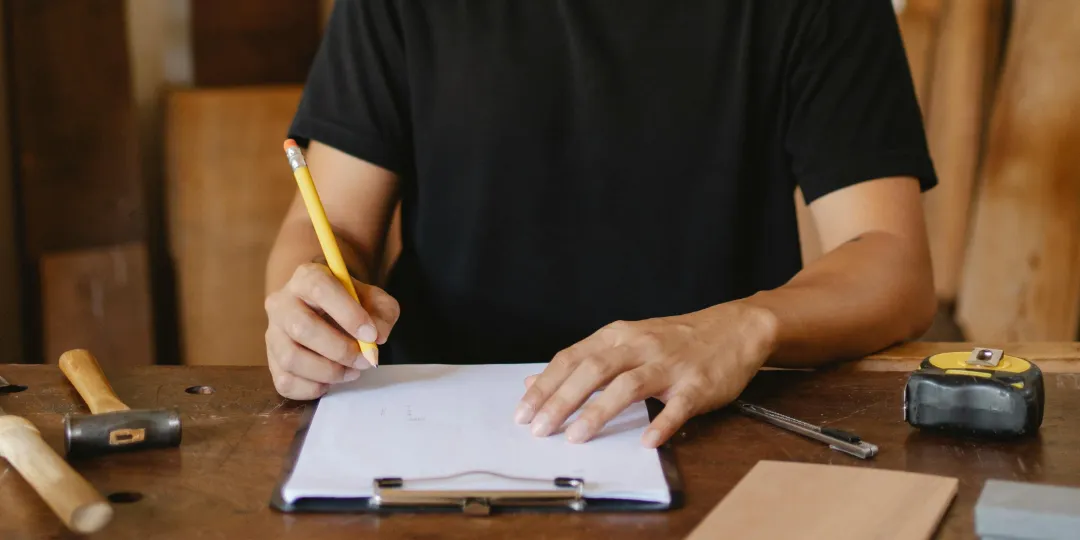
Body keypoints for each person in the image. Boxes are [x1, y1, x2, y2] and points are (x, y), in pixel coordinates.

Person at [264, 0, 938, 449]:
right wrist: (312, 306)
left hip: (706, 427)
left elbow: (890, 260)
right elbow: (329, 228)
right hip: (434, 426)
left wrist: (746, 326)